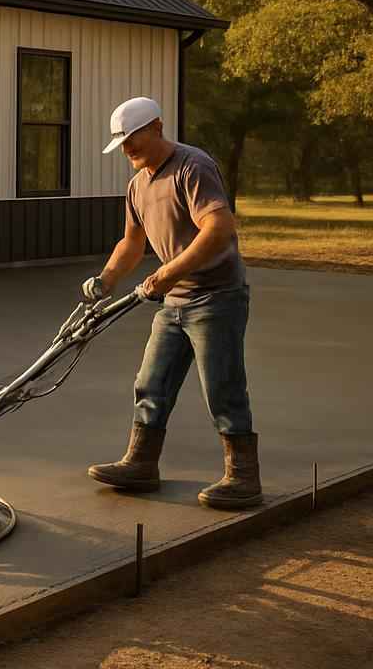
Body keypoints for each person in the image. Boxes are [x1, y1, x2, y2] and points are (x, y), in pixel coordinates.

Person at [81, 97, 261, 509]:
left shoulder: (192, 167)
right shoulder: (138, 184)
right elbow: (132, 241)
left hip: (217, 296)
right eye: (121, 143)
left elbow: (218, 227)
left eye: (132, 139)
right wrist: (105, 280)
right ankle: (141, 464)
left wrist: (167, 273)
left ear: (157, 127)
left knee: (222, 386)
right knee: (151, 382)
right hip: (174, 300)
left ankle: (244, 477)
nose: (127, 149)